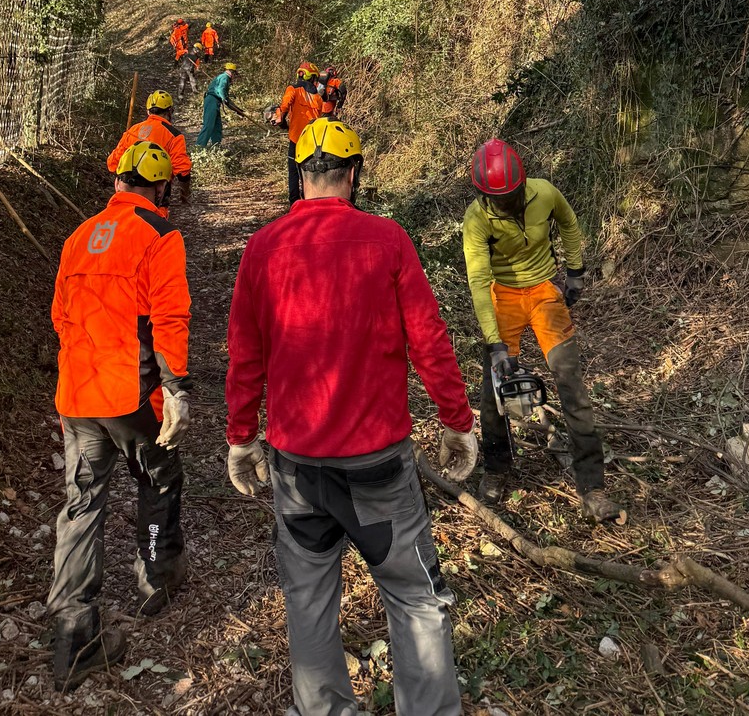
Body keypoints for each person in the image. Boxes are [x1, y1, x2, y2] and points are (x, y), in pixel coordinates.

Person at [225, 117, 479, 716]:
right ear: (354, 174)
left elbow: (245, 354)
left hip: (296, 465)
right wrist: (456, 420)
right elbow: (429, 340)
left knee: (308, 599)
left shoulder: (263, 248)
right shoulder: (387, 240)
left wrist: (241, 437)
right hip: (377, 467)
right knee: (414, 597)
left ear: (299, 175)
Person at [49, 141, 194, 693]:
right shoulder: (160, 235)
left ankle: (73, 637)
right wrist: (176, 388)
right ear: (159, 188)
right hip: (131, 394)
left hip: (78, 392)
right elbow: (170, 317)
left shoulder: (77, 237)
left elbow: (60, 318)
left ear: (117, 182)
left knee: (82, 505)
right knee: (159, 475)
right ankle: (157, 574)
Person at [462, 138, 626, 524]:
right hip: (502, 294)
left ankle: (593, 486)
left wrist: (575, 271)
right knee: (494, 391)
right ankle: (497, 468)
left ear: (522, 186)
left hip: (543, 291)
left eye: (510, 197)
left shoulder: (545, 193)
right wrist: (495, 344)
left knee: (571, 384)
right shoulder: (477, 218)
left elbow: (568, 222)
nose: (504, 205)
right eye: (496, 200)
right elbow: (478, 281)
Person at [107, 90, 193, 205]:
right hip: (155, 190)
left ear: (148, 111)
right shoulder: (174, 135)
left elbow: (112, 163)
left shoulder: (133, 130)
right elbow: (183, 171)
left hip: (126, 188)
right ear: (170, 111)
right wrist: (185, 195)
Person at [271, 62, 323, 204]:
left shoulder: (293, 89)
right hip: (313, 139)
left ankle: (294, 202)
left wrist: (280, 118)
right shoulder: (318, 97)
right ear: (313, 77)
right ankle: (310, 199)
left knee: (294, 171)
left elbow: (284, 106)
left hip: (296, 138)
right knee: (311, 171)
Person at [196, 63, 245, 148]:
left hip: (216, 102)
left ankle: (216, 146)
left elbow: (227, 100)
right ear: (232, 72)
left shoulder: (224, 79)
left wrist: (238, 110)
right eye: (234, 74)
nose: (234, 77)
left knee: (217, 126)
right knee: (208, 125)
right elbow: (221, 90)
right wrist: (224, 98)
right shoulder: (224, 77)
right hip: (211, 100)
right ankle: (199, 147)